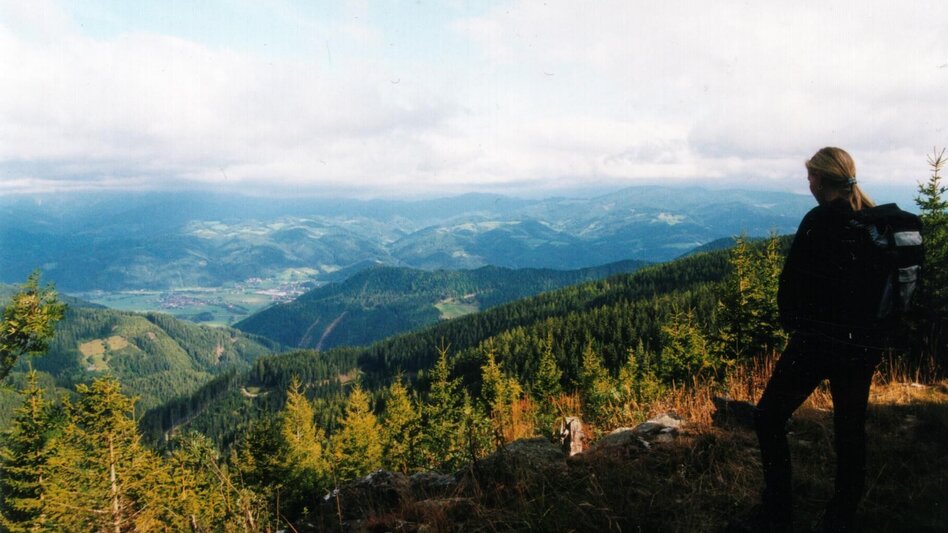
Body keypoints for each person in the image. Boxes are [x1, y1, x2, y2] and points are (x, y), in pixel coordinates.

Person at [732, 147, 883, 533]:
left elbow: (792, 284)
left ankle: (778, 510)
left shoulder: (819, 220)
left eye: (810, 177)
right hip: (862, 346)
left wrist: (795, 324)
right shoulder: (873, 220)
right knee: (850, 428)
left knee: (768, 418)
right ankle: (842, 514)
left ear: (821, 179)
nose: (808, 183)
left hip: (817, 343)